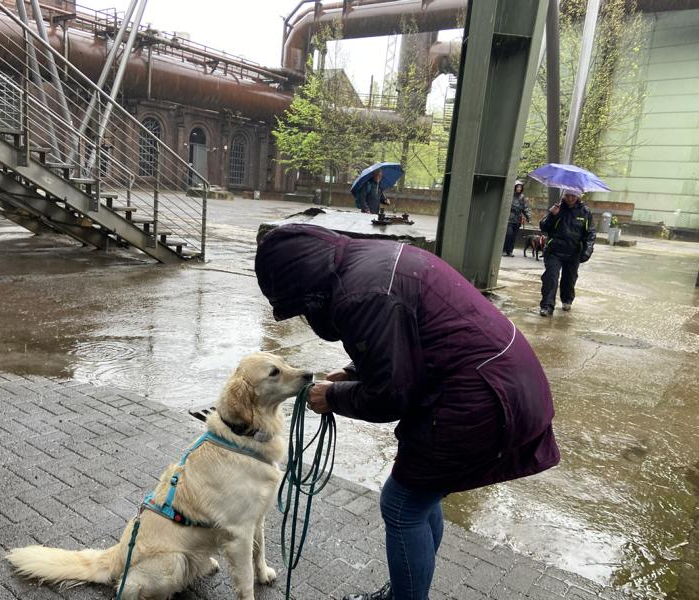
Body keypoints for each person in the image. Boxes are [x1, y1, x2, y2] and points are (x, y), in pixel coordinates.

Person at [255, 224, 560, 600]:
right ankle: (408, 589)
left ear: (306, 286)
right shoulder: (366, 262)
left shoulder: (359, 294)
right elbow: (405, 337)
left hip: (482, 396)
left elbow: (391, 395)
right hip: (503, 380)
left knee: (402, 505)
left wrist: (333, 397)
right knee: (421, 496)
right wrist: (353, 371)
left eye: (301, 308)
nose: (305, 316)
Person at [538, 191, 596, 316]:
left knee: (569, 279)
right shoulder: (557, 208)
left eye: (573, 196)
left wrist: (587, 251)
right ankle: (547, 306)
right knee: (551, 277)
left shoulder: (585, 212)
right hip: (554, 251)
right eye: (568, 195)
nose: (570, 198)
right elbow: (543, 227)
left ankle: (567, 300)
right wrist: (552, 215)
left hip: (573, 252)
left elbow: (590, 234)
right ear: (564, 195)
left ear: (578, 196)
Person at [503, 180, 532, 257]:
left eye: (520, 187)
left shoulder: (522, 197)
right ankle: (505, 250)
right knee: (508, 235)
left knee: (513, 236)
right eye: (517, 187)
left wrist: (528, 217)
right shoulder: (510, 196)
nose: (519, 188)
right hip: (509, 219)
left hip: (517, 220)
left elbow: (525, 208)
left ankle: (510, 251)